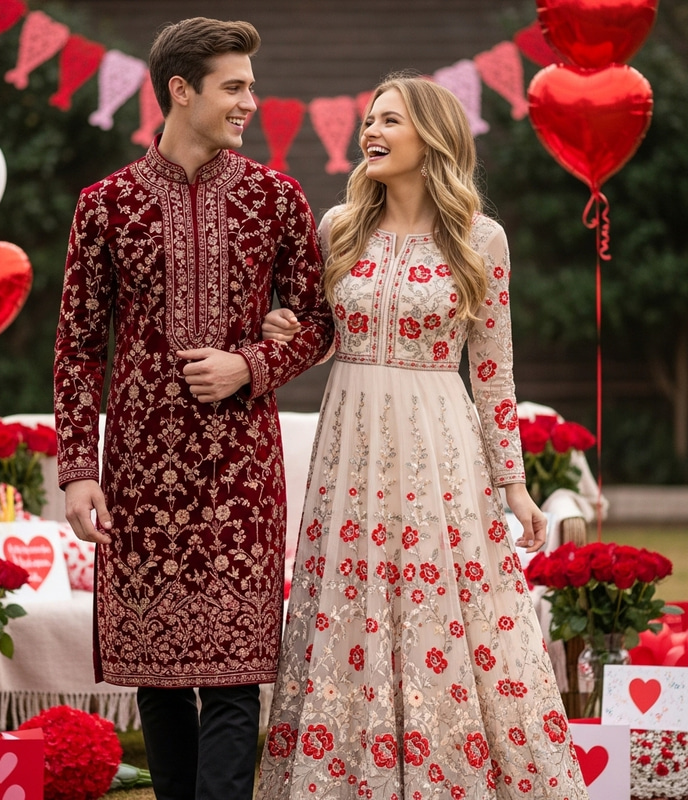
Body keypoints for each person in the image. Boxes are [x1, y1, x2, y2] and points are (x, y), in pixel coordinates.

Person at [256, 74, 589, 799]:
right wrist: (289, 331)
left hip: (439, 446)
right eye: (369, 119)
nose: (370, 132)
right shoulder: (339, 227)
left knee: (443, 606)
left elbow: (494, 373)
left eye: (389, 121)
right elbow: (328, 335)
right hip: (350, 446)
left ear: (431, 137)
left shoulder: (481, 239)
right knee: (351, 604)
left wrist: (515, 487)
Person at [52, 17, 333, 800]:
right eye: (234, 87)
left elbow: (319, 322)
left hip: (241, 474)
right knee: (161, 678)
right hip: (140, 473)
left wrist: (250, 365)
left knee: (236, 677)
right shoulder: (105, 205)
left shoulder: (277, 199)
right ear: (181, 90)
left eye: (251, 86)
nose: (250, 102)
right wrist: (78, 469)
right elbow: (78, 345)